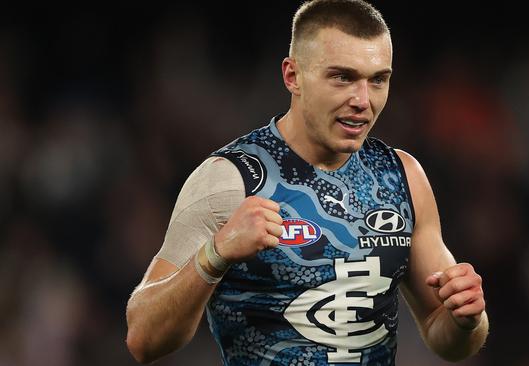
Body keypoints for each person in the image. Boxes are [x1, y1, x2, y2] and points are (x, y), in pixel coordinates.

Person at [126, 0, 488, 365]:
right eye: (343, 77)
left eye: (377, 79)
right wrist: (216, 253)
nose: (363, 100)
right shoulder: (231, 179)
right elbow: (143, 339)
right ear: (292, 76)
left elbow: (444, 336)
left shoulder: (402, 176)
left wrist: (466, 319)